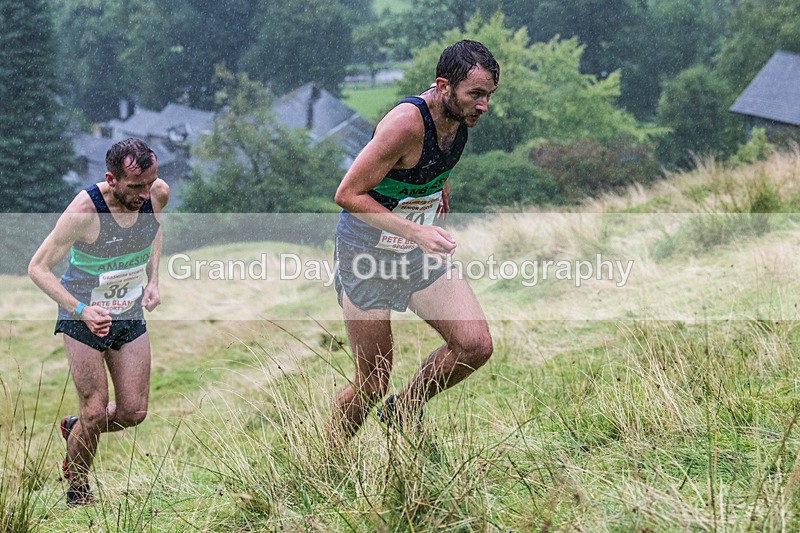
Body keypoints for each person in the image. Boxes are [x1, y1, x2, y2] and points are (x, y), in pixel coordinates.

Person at [330, 40, 499, 443]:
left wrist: (439, 196)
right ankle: (326, 460)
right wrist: (416, 230)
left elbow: (430, 172)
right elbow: (347, 194)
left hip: (416, 253)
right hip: (366, 254)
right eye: (475, 94)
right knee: (371, 383)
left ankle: (404, 411)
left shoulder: (459, 120)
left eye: (489, 96)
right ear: (444, 86)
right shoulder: (405, 124)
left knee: (475, 346)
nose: (483, 106)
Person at [28, 137, 169, 505]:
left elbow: (155, 230)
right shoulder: (84, 212)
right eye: (136, 187)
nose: (144, 194)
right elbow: (38, 268)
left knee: (133, 412)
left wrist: (153, 280)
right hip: (83, 316)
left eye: (150, 184)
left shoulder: (156, 194)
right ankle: (77, 490)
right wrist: (81, 310)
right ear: (111, 178)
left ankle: (75, 429)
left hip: (128, 311)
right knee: (94, 408)